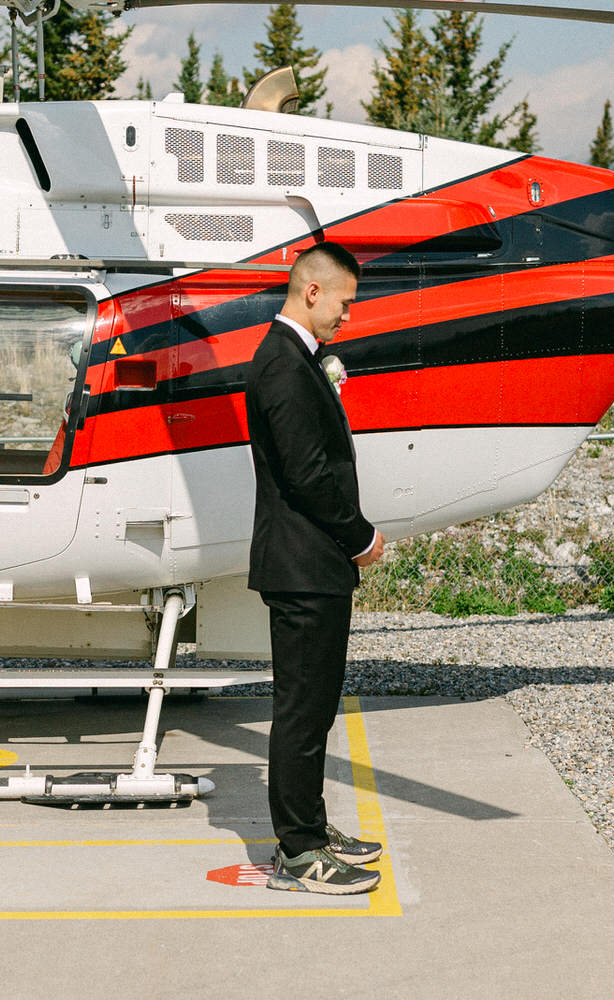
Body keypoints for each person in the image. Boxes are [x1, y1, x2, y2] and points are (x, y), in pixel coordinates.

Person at [245, 241, 386, 896]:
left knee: (316, 711)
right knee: (302, 712)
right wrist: (359, 537)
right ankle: (299, 852)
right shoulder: (280, 365)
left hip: (312, 567)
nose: (346, 319)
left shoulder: (298, 360)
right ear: (311, 292)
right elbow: (306, 474)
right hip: (302, 565)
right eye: (344, 304)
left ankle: (311, 826)